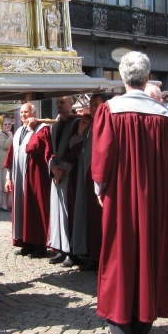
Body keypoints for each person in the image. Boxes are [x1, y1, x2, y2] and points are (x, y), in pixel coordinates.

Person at [93, 52, 168, 334]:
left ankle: (120, 332)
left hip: (120, 199)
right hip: (154, 201)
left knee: (119, 257)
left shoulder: (109, 111)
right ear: (147, 78)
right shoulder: (166, 117)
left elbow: (101, 159)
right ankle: (142, 328)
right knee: (150, 256)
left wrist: (100, 188)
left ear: (122, 78)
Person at [4, 102, 52, 259]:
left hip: (35, 177)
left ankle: (39, 245)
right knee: (21, 209)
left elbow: (35, 147)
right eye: (22, 113)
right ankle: (26, 242)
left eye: (26, 112)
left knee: (35, 210)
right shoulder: (18, 131)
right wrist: (8, 177)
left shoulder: (42, 128)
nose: (23, 115)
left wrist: (32, 130)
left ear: (34, 113)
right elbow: (11, 155)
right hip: (19, 177)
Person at [71, 93, 106, 271]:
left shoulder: (107, 124)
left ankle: (98, 257)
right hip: (85, 176)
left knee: (97, 219)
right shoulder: (90, 124)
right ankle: (89, 253)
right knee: (87, 217)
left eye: (96, 105)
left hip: (98, 179)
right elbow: (74, 148)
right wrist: (80, 132)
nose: (92, 109)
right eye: (91, 105)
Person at [47, 96, 80, 267]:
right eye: (57, 102)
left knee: (69, 211)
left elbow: (76, 148)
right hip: (57, 173)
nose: (58, 105)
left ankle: (72, 251)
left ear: (71, 104)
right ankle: (60, 247)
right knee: (57, 211)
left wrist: (62, 170)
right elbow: (50, 150)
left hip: (71, 174)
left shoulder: (77, 124)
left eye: (62, 102)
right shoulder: (54, 127)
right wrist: (53, 168)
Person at [0, 117, 13, 212]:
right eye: (5, 124)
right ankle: (4, 205)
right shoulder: (0, 135)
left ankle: (9, 204)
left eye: (9, 124)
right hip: (3, 164)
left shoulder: (9, 134)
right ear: (2, 126)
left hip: (10, 163)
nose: (7, 126)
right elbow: (5, 145)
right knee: (4, 186)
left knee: (10, 186)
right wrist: (11, 137)